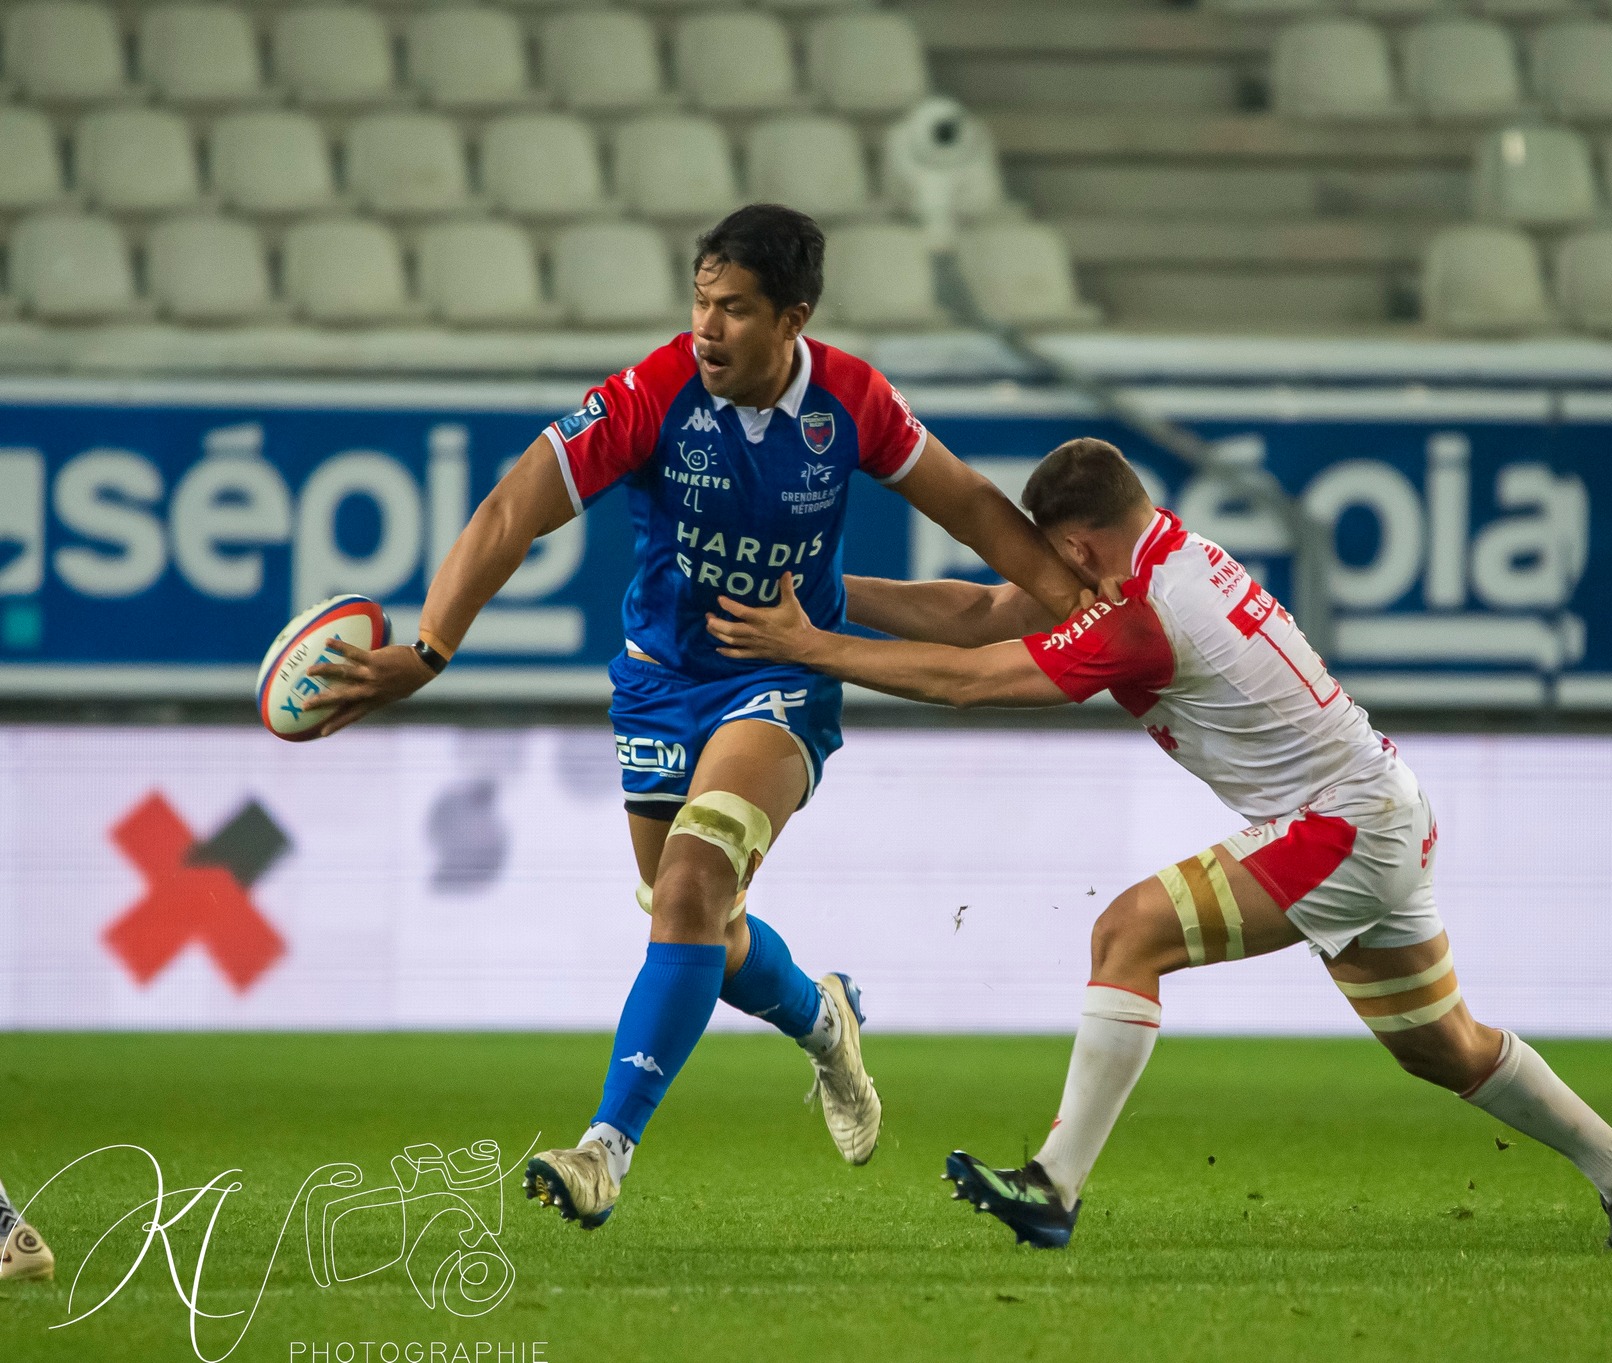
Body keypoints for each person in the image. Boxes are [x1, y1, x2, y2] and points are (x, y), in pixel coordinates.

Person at [304, 205, 1088, 1230]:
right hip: (658, 682)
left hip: (781, 673)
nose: (707, 328)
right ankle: (823, 1018)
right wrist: (429, 648)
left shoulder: (851, 403)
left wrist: (1076, 601)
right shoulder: (652, 394)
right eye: (700, 301)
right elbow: (512, 509)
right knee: (700, 924)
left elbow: (974, 505)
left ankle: (603, 1149)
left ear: (793, 319)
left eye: (735, 309)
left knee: (690, 883)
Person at [706, 436, 1612, 1252]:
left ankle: (1052, 1186)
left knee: (1127, 933)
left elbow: (971, 679)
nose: (1040, 575)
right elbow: (983, 611)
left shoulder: (1143, 617)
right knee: (1444, 1046)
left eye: (1048, 557)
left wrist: (809, 647)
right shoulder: (1163, 553)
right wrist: (826, 593)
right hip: (1382, 805)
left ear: (1076, 545)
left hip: (1341, 822)